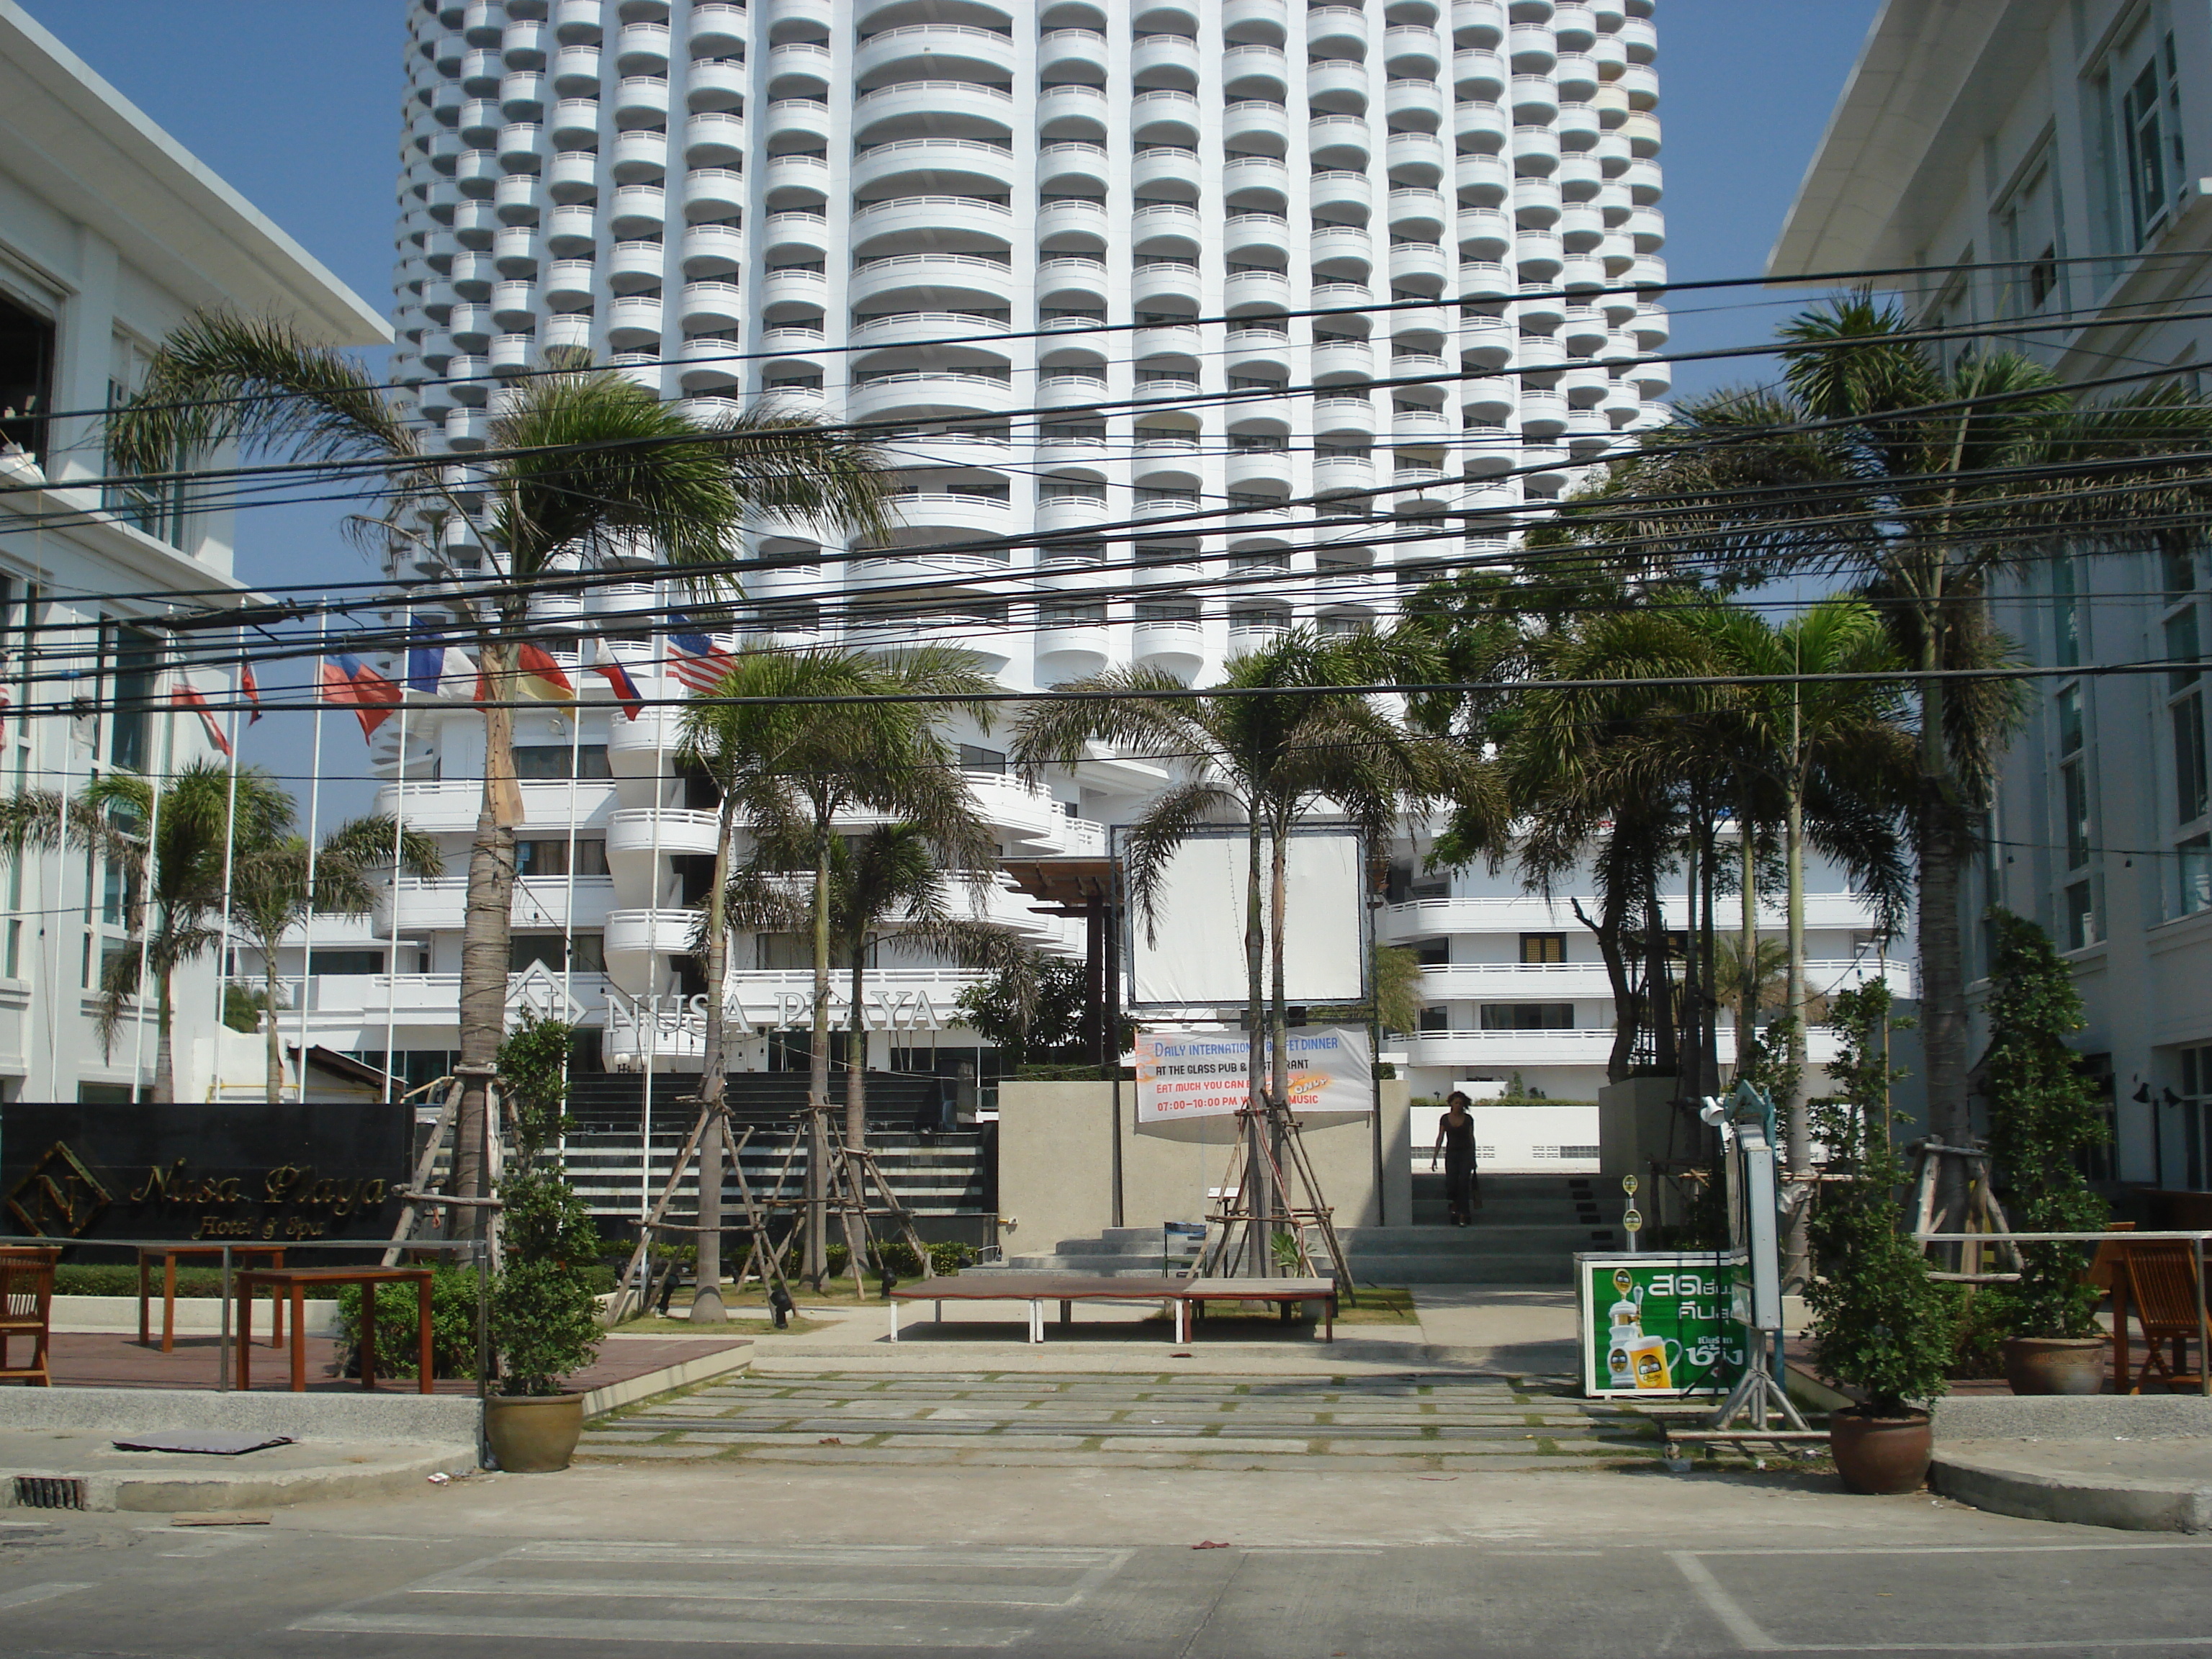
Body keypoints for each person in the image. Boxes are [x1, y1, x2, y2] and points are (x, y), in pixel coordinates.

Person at [1431, 1091, 1482, 1225]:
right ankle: (1454, 1205)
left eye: (1461, 1103)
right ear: (1451, 1104)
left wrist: (1474, 1158)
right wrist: (1435, 1156)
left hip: (1466, 1153)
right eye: (1456, 1103)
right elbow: (1440, 1137)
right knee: (1451, 1183)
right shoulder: (1445, 1118)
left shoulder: (1468, 1119)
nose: (1458, 1105)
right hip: (1451, 1154)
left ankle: (1464, 1214)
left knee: (1464, 1183)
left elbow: (1472, 1138)